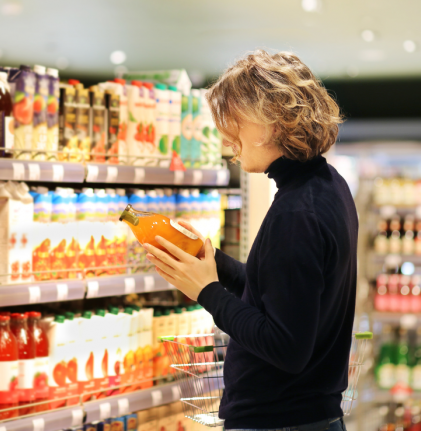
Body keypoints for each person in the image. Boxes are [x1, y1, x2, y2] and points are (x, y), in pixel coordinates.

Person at [142, 50, 358, 431]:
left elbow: (286, 347)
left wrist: (207, 291)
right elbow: (283, 294)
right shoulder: (327, 187)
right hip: (311, 417)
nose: (227, 137)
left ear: (268, 122)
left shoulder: (295, 213)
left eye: (233, 122)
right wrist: (215, 263)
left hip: (278, 422)